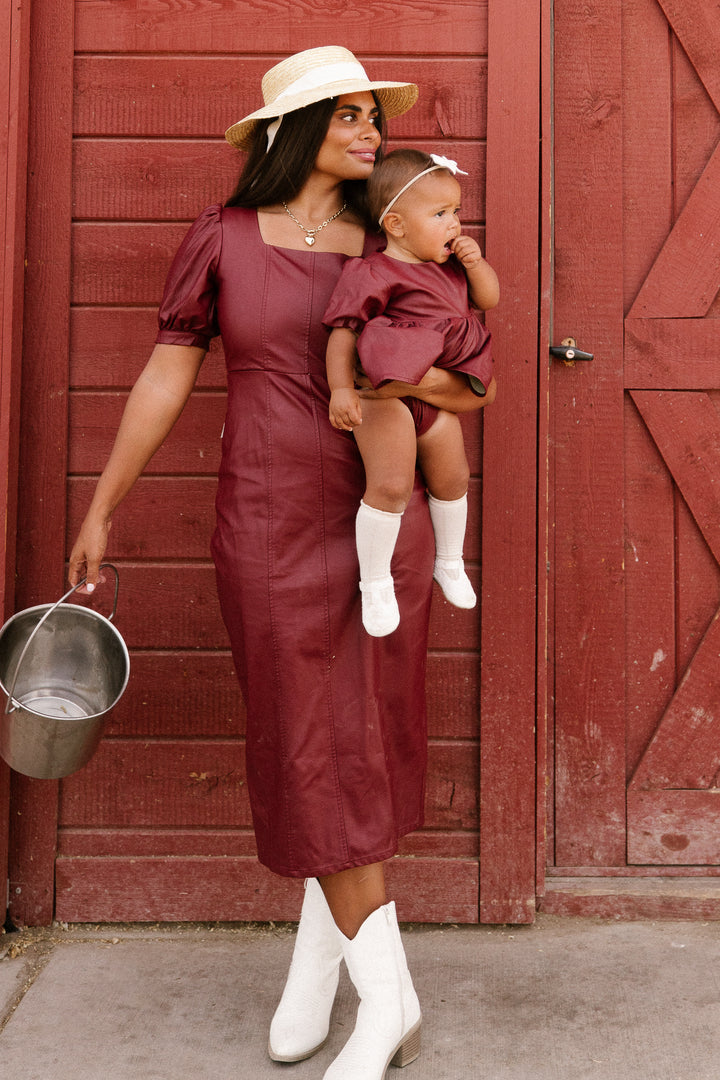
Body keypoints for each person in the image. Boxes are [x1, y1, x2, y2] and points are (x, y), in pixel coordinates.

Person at [67, 46, 496, 1080]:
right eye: (348, 116)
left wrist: (413, 389)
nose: (371, 133)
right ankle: (384, 992)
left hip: (374, 526)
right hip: (263, 520)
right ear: (292, 132)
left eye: (372, 117)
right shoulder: (220, 237)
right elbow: (166, 378)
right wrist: (104, 505)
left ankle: (336, 974)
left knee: (360, 732)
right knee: (306, 735)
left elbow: (470, 386)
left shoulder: (393, 241)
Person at [324, 148, 499, 637]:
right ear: (396, 225)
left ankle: (449, 561)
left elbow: (489, 300)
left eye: (457, 212)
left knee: (454, 476)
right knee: (392, 485)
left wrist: (477, 263)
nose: (455, 224)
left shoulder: (449, 269)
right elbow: (343, 333)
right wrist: (341, 389)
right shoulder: (373, 272)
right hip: (384, 398)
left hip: (435, 396)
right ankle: (375, 582)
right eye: (441, 214)